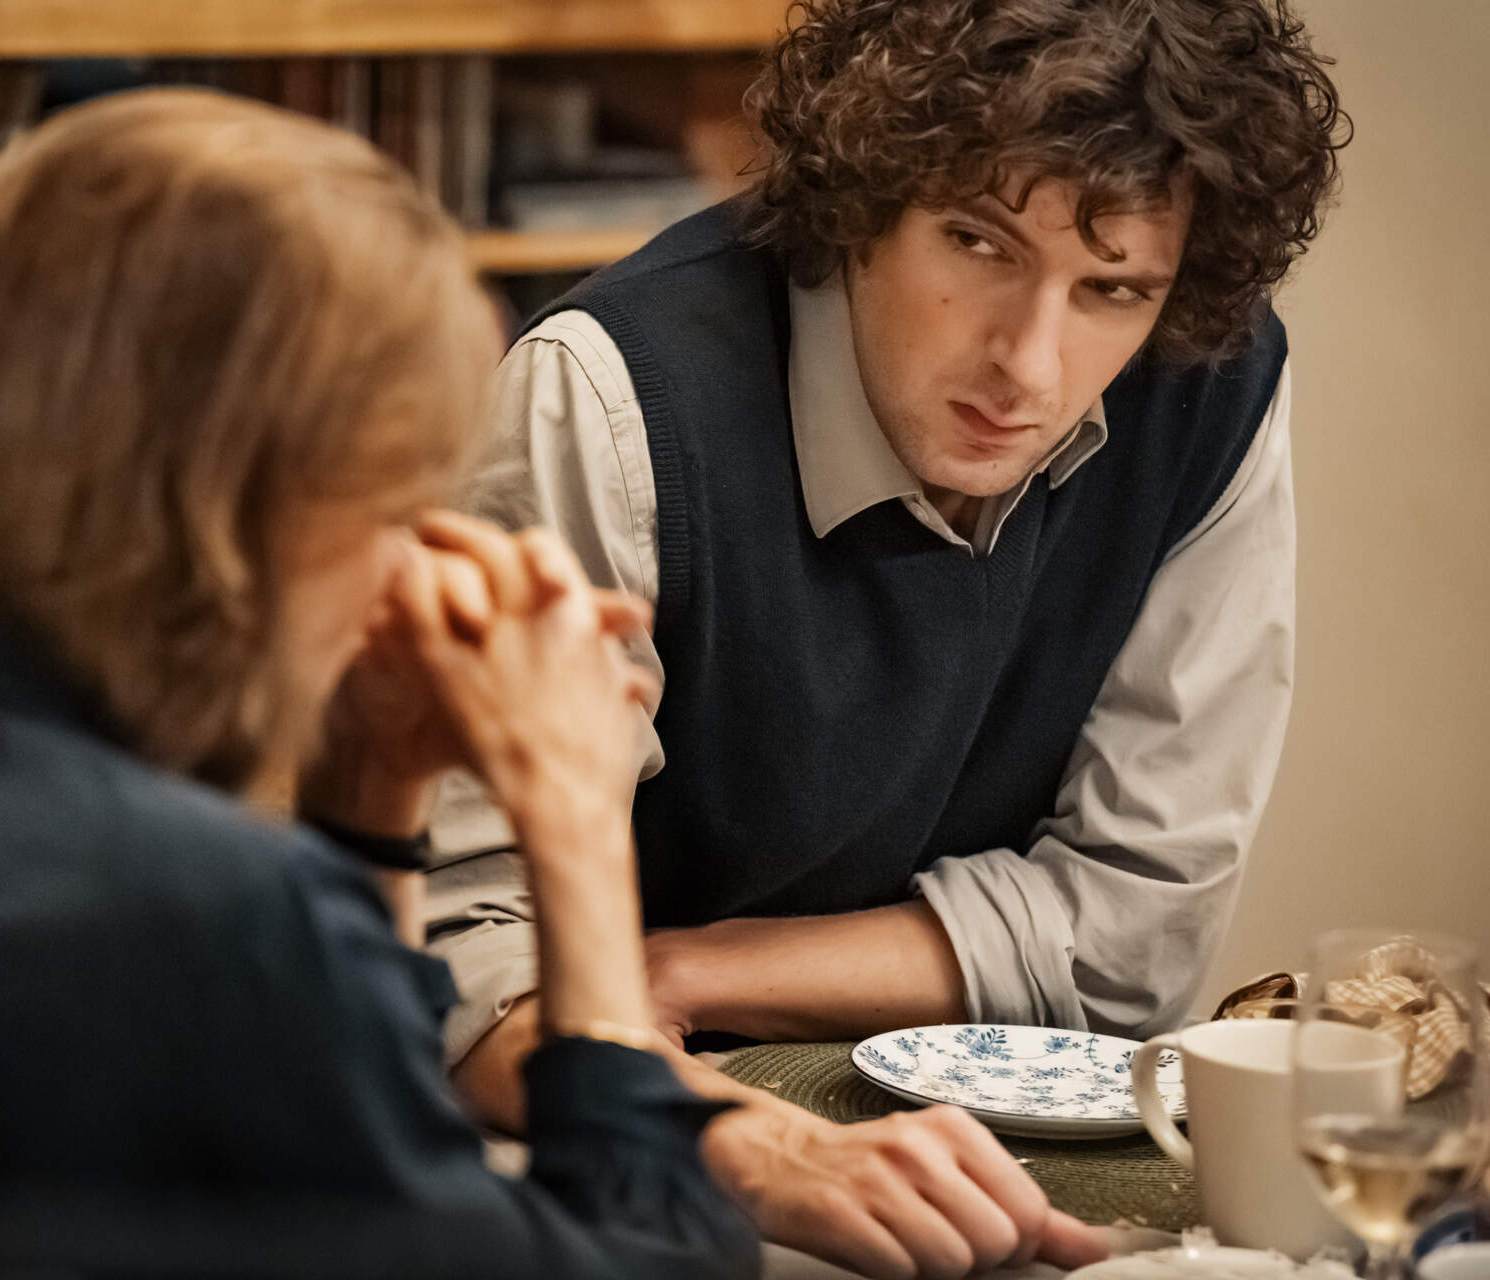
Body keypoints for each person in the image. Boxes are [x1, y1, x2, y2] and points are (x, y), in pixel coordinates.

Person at [0, 90, 766, 1278]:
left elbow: (352, 1144)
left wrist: (367, 791)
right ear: (238, 516)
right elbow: (656, 1254)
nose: (407, 563)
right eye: (390, 503)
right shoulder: (200, 909)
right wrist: (574, 819)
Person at [431, 0, 1348, 1270]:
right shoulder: (608, 400)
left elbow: (1140, 930)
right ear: (863, 200)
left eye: (1111, 288)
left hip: (979, 1133)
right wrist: (751, 1143)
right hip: (619, 1148)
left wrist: (690, 964)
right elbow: (467, 967)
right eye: (977, 241)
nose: (1028, 365)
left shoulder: (1214, 390)